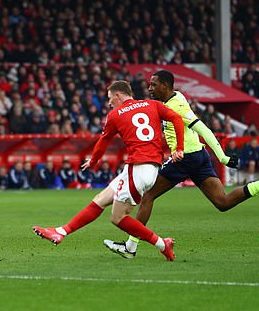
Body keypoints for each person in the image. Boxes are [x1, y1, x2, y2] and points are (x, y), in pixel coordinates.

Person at [104, 70, 259, 259]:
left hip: (186, 157)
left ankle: (131, 246)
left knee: (148, 196)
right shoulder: (176, 98)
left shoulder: (177, 105)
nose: (150, 88)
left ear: (165, 86)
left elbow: (203, 128)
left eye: (154, 85)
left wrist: (223, 157)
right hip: (198, 155)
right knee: (223, 202)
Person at [33, 80, 186, 261]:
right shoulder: (153, 105)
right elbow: (177, 118)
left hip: (137, 168)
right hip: (151, 168)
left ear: (118, 95)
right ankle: (61, 232)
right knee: (101, 199)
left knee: (117, 218)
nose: (109, 102)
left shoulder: (115, 115)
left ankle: (162, 244)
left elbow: (103, 141)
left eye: (110, 98)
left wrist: (94, 160)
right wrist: (179, 148)